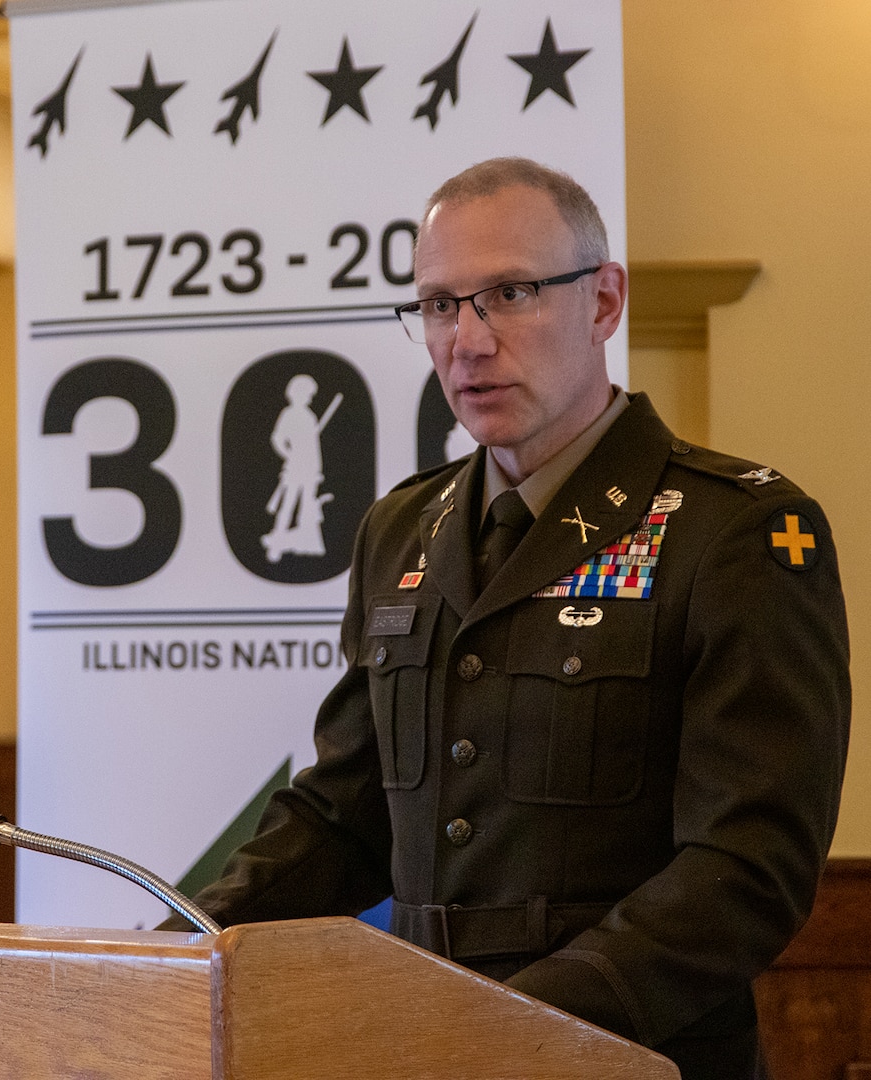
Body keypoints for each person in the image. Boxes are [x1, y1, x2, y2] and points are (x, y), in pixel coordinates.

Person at [163, 158, 850, 1080]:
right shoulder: (401, 528)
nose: (467, 341)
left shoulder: (737, 531)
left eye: (511, 293)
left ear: (604, 302)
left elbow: (748, 870)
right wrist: (171, 955)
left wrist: (513, 1031)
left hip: (624, 1057)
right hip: (416, 1048)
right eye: (440, 305)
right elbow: (344, 817)